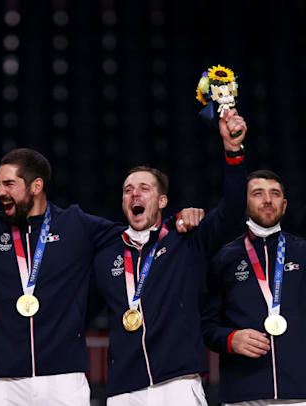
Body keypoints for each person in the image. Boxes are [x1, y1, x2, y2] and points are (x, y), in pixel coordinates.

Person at [90, 108, 247, 405]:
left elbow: (233, 209)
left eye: (144, 189)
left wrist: (233, 150)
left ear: (162, 201)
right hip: (124, 390)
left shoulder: (186, 240)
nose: (135, 195)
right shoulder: (106, 255)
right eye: (128, 190)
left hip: (178, 384)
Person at [0, 147, 122, 405]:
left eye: (9, 184)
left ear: (36, 186)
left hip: (63, 380)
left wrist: (178, 222)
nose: (0, 192)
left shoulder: (76, 225)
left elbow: (139, 235)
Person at [202, 170, 306, 405]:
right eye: (258, 193)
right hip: (243, 393)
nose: (268, 200)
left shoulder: (303, 252)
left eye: (275, 194)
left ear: (284, 205)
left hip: (300, 391)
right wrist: (230, 339)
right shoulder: (223, 259)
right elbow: (206, 326)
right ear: (244, 202)